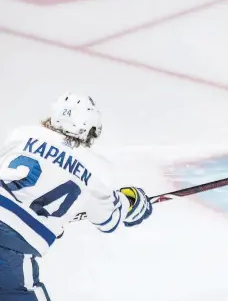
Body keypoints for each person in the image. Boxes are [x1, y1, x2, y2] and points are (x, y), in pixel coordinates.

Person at [0, 93, 153, 300]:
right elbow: (110, 220)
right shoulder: (94, 169)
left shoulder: (21, 134)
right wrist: (132, 200)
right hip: (11, 253)